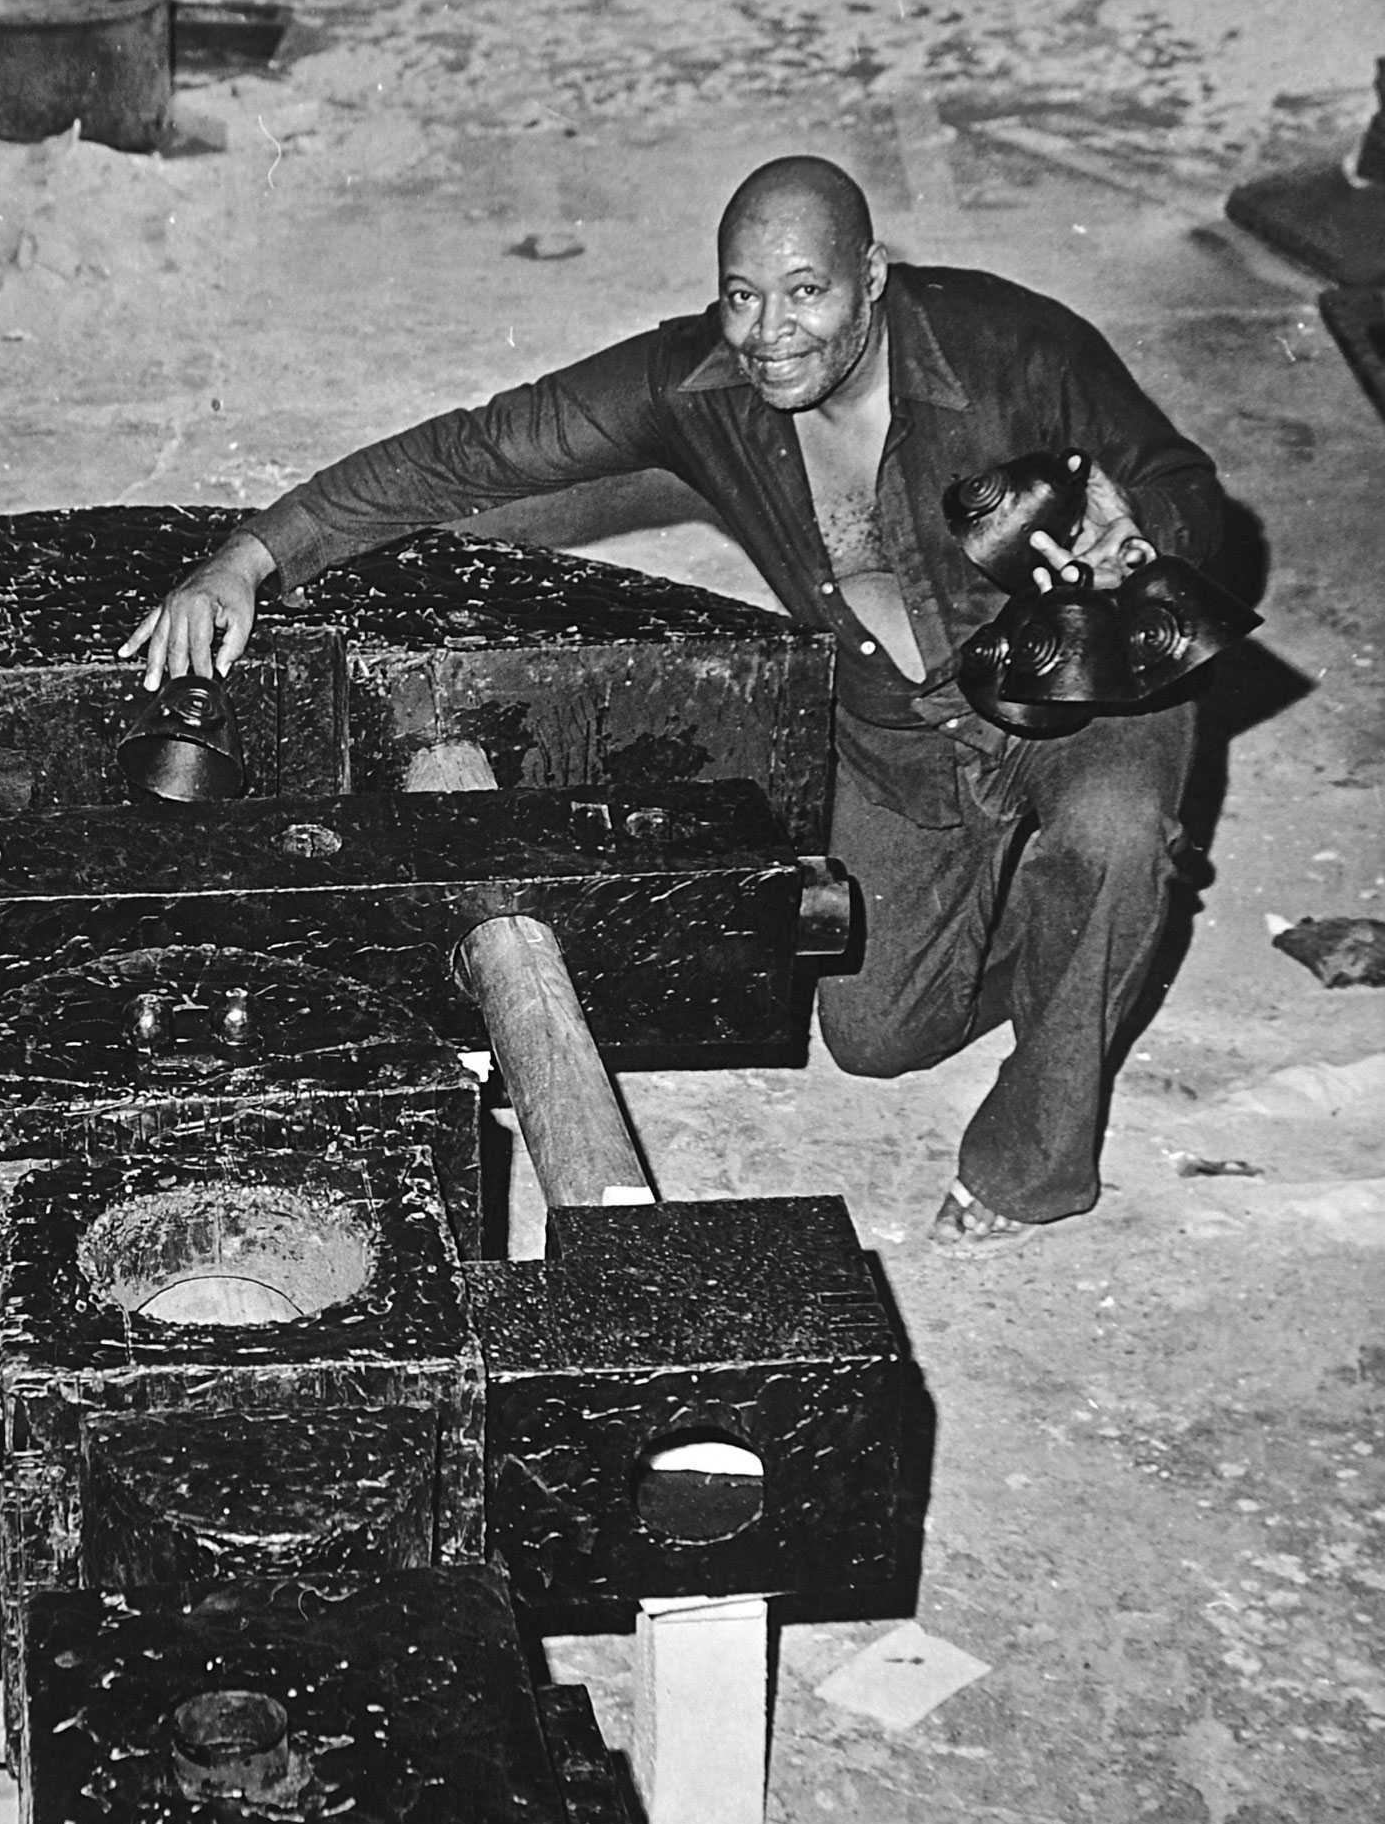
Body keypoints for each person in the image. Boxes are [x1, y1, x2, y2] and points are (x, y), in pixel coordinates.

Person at [121, 155, 1226, 1245]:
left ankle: (1035, 1159)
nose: (771, 332)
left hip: (1086, 688)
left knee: (1115, 831)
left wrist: (1141, 539)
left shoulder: (1016, 344)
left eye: (807, 292)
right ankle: (1074, 915)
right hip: (901, 725)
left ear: (873, 277)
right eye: (743, 296)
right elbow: (473, 450)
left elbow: (1189, 491)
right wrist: (255, 556)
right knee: (880, 1034)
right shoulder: (696, 382)